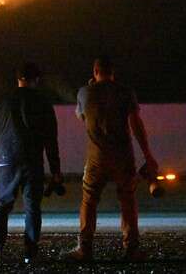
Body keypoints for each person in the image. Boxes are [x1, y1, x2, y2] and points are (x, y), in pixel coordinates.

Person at [66, 56, 158, 262]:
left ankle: (85, 248)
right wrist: (148, 154)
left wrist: (90, 89)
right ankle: (131, 248)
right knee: (127, 199)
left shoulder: (84, 92)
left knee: (89, 200)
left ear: (95, 71)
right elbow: (136, 125)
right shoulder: (125, 92)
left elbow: (82, 117)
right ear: (113, 72)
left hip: (96, 156)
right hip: (123, 156)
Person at [0, 62, 63, 263]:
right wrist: (55, 169)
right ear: (36, 79)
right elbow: (51, 138)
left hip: (7, 160)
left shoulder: (3, 101)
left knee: (2, 205)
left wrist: (0, 150)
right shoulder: (43, 102)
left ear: (18, 79)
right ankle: (30, 253)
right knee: (32, 207)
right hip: (33, 160)